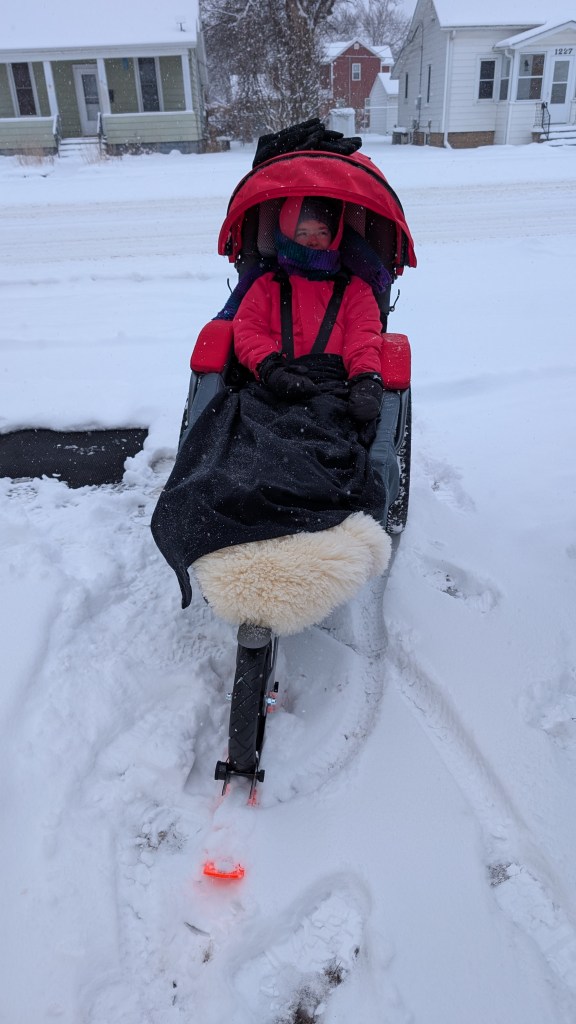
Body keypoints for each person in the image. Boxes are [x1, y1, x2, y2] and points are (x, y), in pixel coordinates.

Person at [232, 196, 385, 423]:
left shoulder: (356, 289)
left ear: (334, 236)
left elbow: (363, 339)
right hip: (271, 386)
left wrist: (365, 381)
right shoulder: (265, 285)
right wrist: (271, 370)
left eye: (321, 232)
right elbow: (247, 330)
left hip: (335, 391)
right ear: (288, 236)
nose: (312, 241)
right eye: (302, 233)